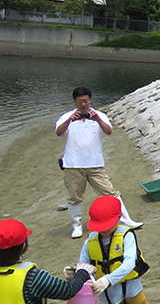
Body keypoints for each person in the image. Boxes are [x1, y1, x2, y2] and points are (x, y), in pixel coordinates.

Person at [56, 87, 142, 239]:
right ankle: (76, 226)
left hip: (95, 164)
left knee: (110, 193)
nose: (83, 104)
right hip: (72, 165)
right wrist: (71, 120)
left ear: (91, 100)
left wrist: (97, 119)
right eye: (80, 101)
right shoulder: (67, 117)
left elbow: (109, 131)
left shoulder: (99, 115)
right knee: (74, 196)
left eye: (86, 101)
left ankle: (126, 220)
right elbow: (59, 133)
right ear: (74, 101)